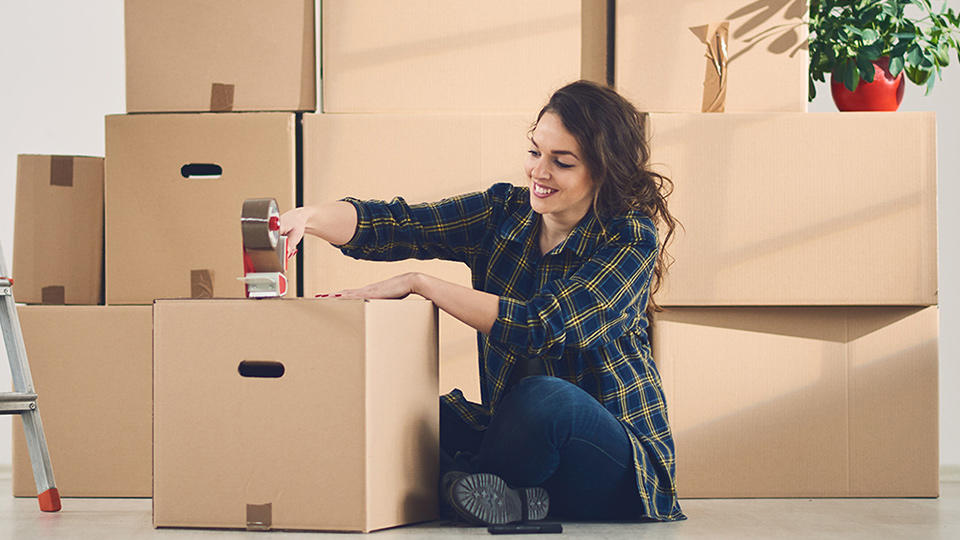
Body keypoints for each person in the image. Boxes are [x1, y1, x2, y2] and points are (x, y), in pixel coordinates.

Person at [280, 80, 685, 524]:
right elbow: (402, 224)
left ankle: (461, 485)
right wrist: (309, 218)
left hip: (613, 465)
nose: (539, 173)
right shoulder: (503, 213)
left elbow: (539, 327)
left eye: (562, 162)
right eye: (535, 152)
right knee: (405, 416)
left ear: (603, 171)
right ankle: (510, 498)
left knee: (545, 401)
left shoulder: (629, 238)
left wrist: (421, 282)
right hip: (520, 446)